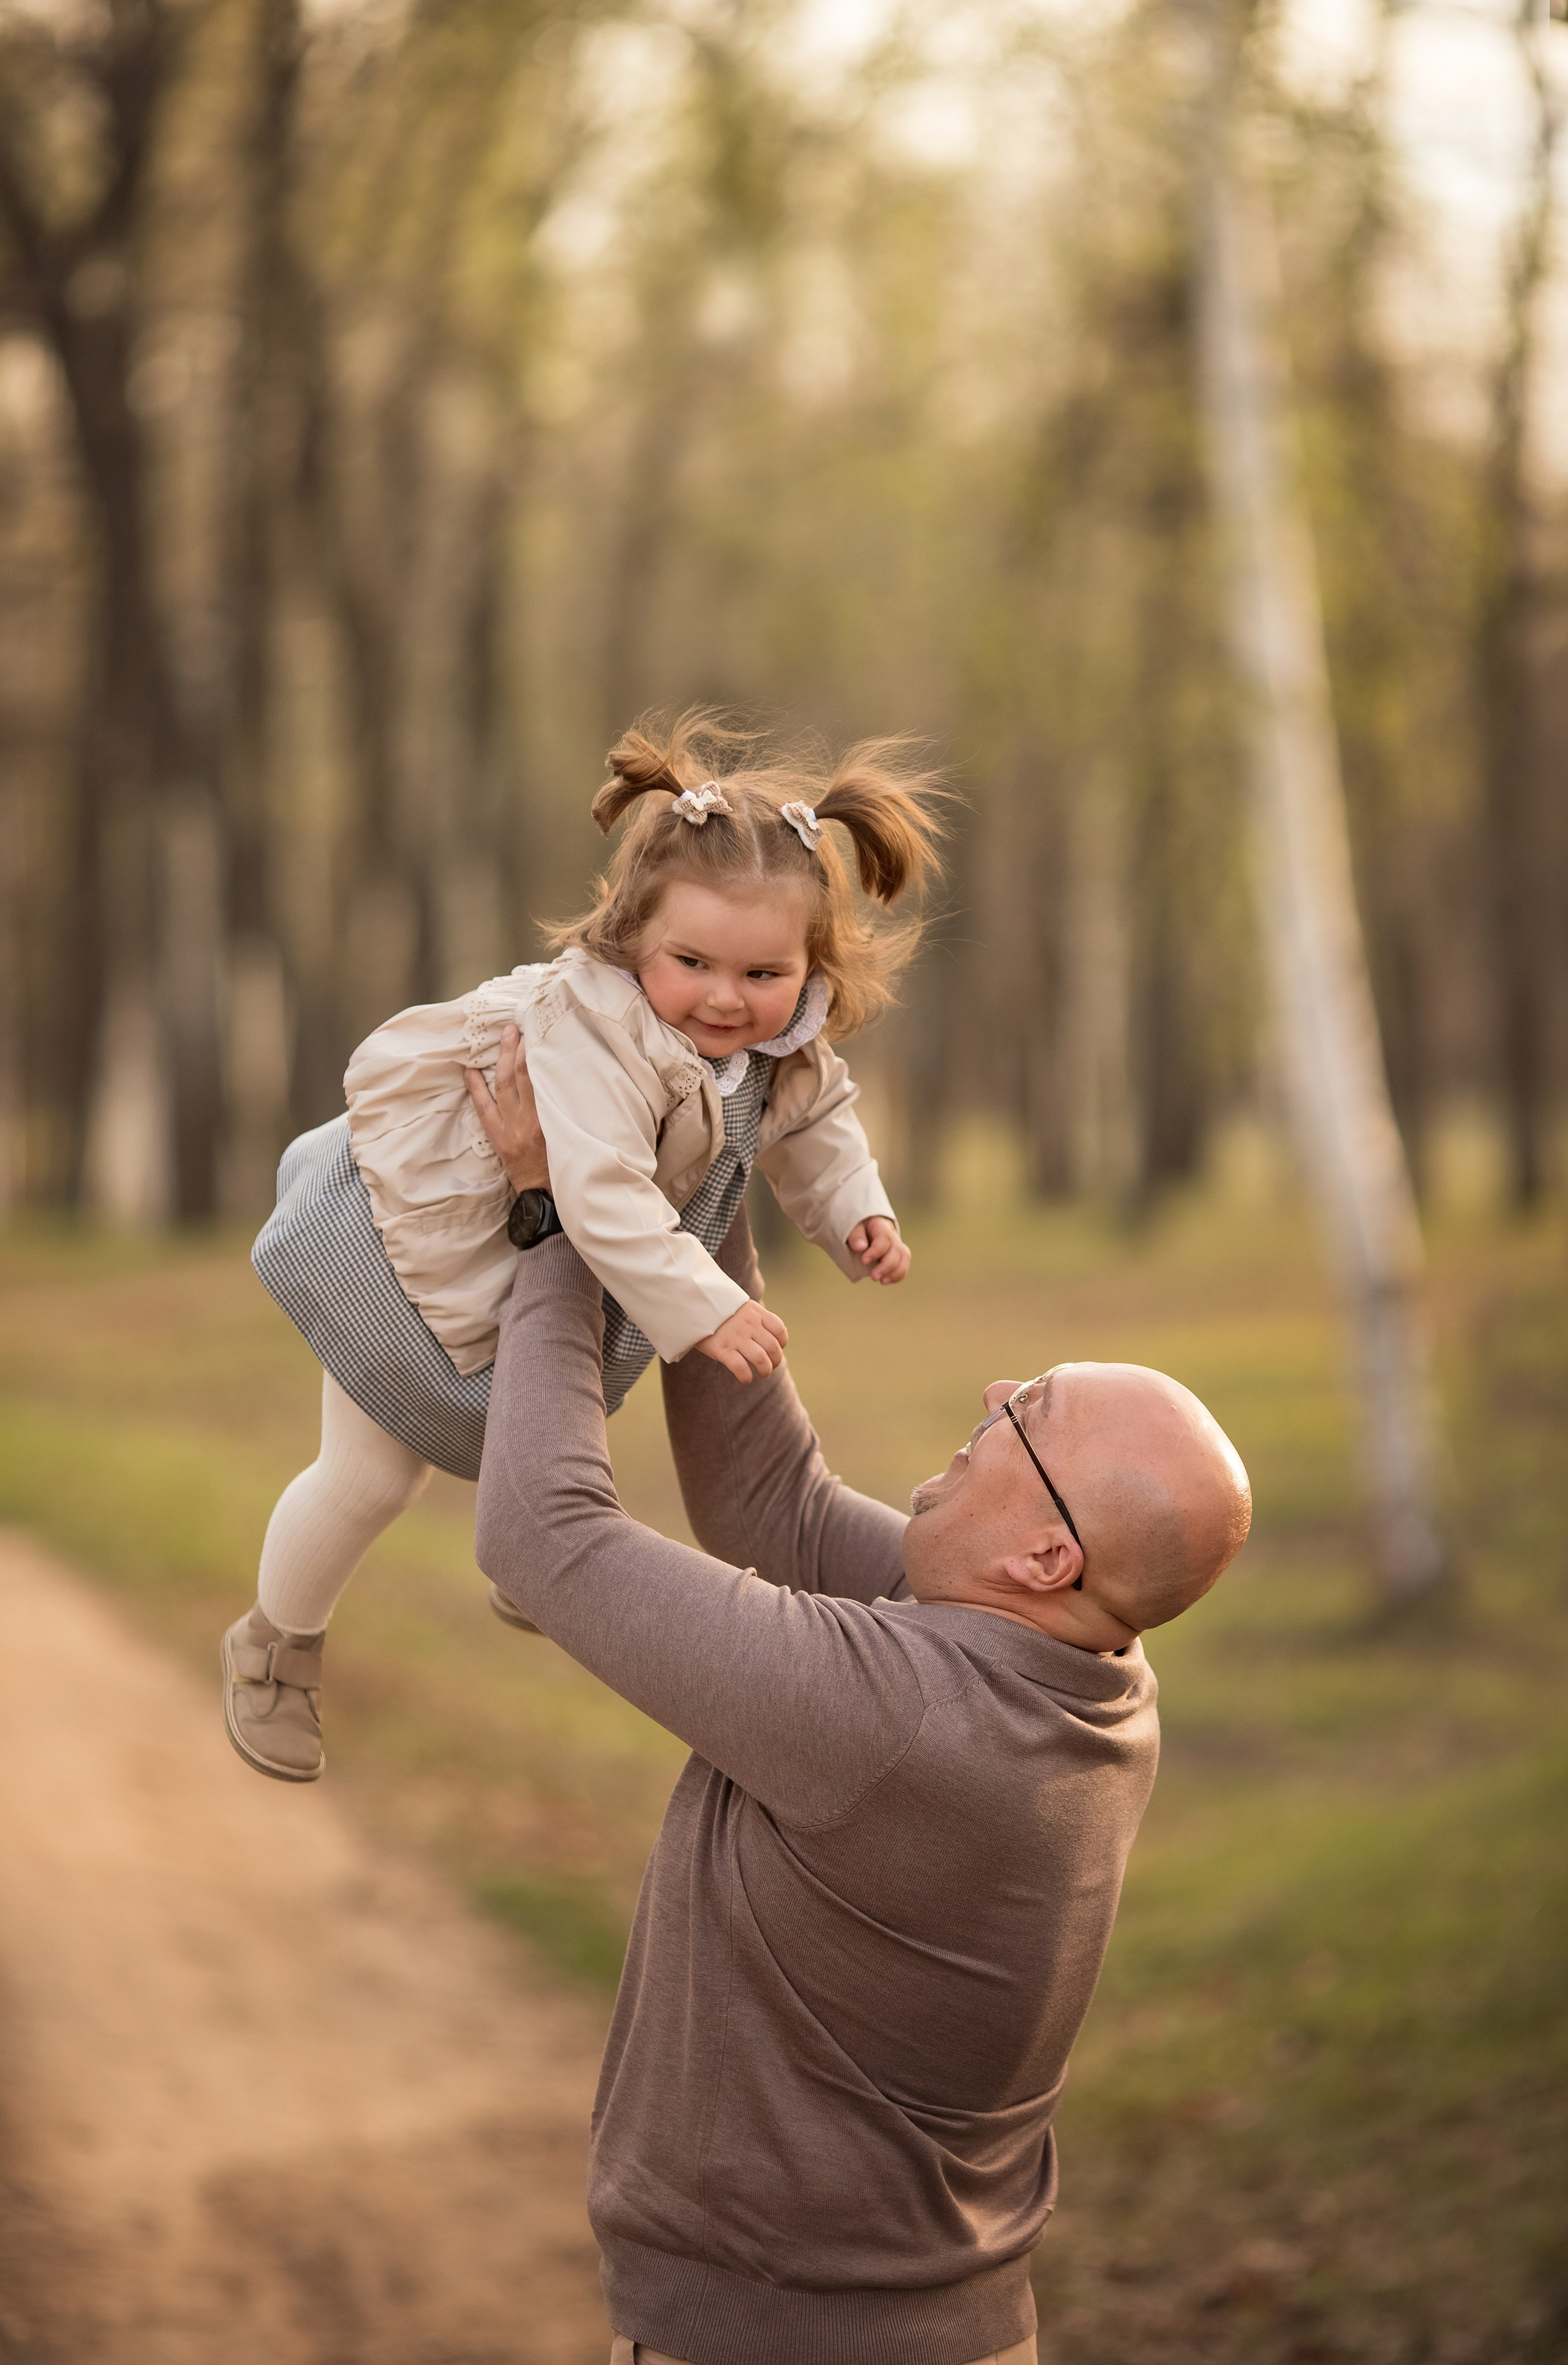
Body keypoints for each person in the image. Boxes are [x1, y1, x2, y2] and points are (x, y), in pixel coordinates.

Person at [471, 1027, 1253, 2365]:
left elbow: (541, 1538)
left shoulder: (907, 1723)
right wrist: (704, 1164)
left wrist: (550, 1219)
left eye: (1029, 1414)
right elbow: (767, 1501)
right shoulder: (1082, 1673)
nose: (994, 1392)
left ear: (1045, 1556)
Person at [224, 713, 945, 1782]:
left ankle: (537, 1550)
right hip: (413, 1245)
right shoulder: (595, 1029)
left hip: (540, 1269)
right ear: (630, 935)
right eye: (692, 963)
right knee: (372, 1475)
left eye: (763, 973)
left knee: (552, 1396)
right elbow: (600, 1195)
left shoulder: (778, 1038)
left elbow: (817, 1121)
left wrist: (856, 1215)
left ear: (810, 966)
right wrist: (710, 1307)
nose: (725, 998)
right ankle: (274, 1648)